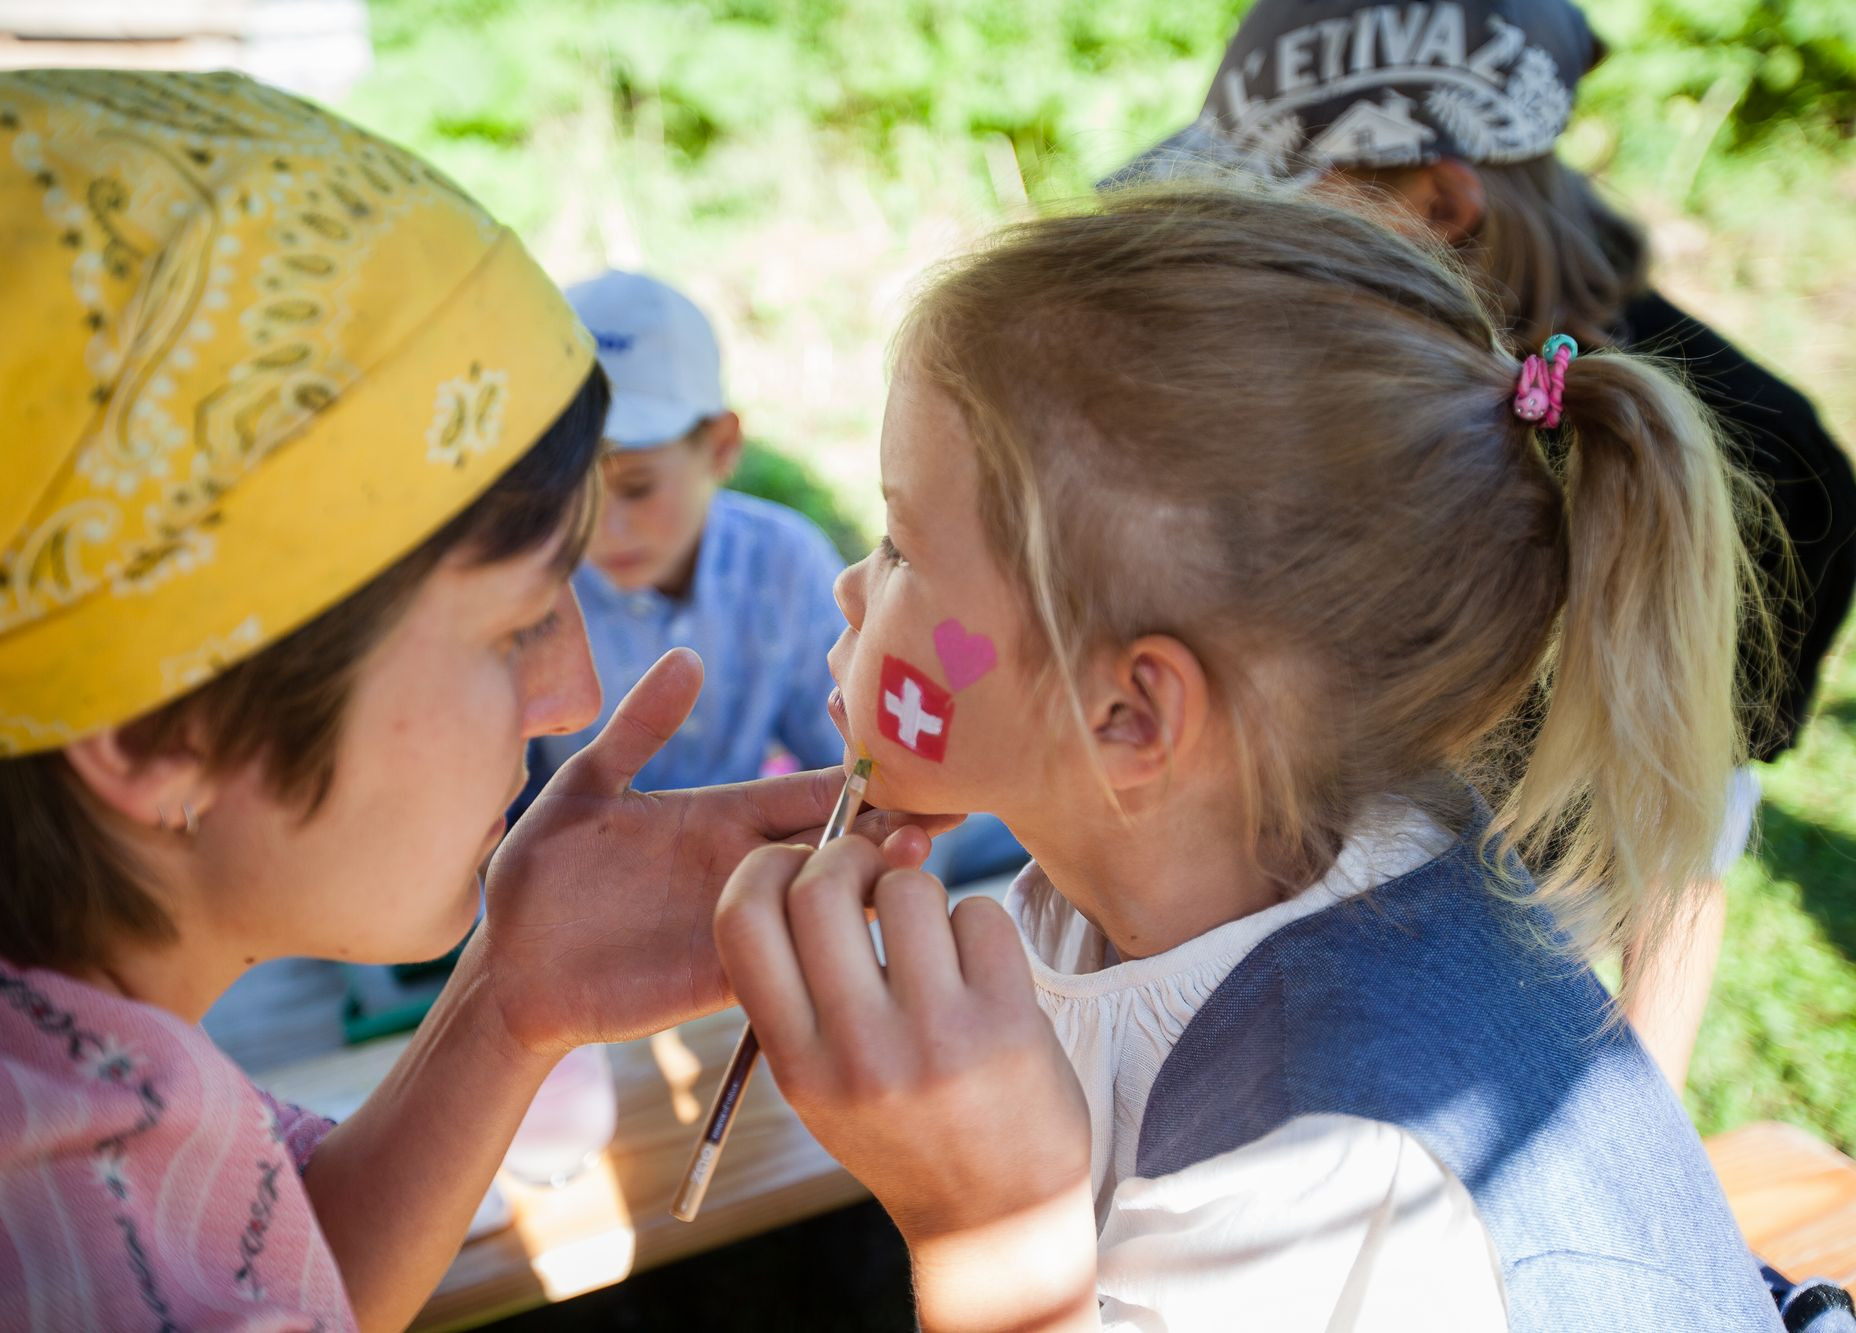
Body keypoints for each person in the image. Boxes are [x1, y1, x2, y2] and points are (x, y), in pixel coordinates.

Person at [0, 70, 939, 1329]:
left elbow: (280, 1249)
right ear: (165, 724)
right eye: (517, 620)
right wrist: (985, 1212)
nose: (573, 691)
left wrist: (509, 996)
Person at [712, 180, 1790, 1330]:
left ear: (1128, 717)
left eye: (898, 547)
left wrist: (975, 1214)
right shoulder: (1257, 849)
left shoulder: (1314, 1159)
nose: (848, 585)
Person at [1113, 0, 1856, 1090]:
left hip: (1486, 1018)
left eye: (1278, 213)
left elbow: (1687, 832)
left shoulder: (1770, 474)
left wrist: (1634, 1130)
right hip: (1258, 979)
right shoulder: (1299, 386)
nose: (1244, 256)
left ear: (1440, 203)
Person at [517, 268, 1025, 884]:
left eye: (638, 487)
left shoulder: (780, 564)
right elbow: (501, 819)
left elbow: (860, 768)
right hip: (571, 891)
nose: (603, 526)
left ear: (722, 445)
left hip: (747, 877)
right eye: (570, 490)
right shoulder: (525, 586)